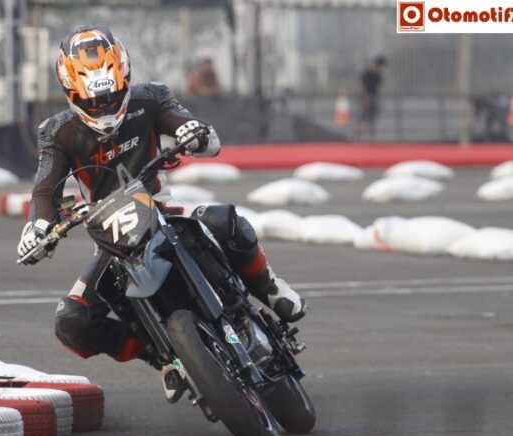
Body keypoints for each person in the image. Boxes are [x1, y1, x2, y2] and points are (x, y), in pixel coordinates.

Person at [16, 26, 307, 401]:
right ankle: (160, 358)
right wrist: (38, 228)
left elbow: (199, 134)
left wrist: (193, 132)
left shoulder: (151, 97)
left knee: (225, 221)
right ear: (70, 93)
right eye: (93, 101)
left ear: (125, 78)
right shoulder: (55, 132)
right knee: (71, 321)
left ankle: (268, 286)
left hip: (163, 208)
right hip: (112, 238)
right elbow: (44, 189)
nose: (104, 108)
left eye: (112, 96)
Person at [356, 56, 386, 141]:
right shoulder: (367, 73)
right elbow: (362, 86)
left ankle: (371, 138)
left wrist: (379, 99)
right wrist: (364, 98)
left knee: (372, 118)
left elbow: (378, 88)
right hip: (366, 97)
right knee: (363, 117)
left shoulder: (379, 75)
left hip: (374, 97)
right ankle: (359, 137)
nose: (380, 68)